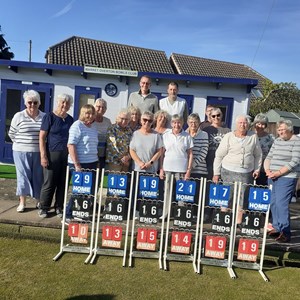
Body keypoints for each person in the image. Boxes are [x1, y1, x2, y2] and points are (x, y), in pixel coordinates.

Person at [213, 115, 262, 223]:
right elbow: (219, 155)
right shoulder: (228, 136)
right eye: (240, 123)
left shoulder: (253, 136)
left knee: (242, 198)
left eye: (245, 123)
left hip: (245, 172)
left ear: (248, 125)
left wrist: (257, 169)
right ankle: (223, 221)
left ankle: (238, 222)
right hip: (228, 171)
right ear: (236, 124)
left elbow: (258, 155)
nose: (242, 125)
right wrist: (216, 173)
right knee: (227, 197)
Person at [8, 90, 45, 212]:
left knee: (38, 176)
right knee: (22, 176)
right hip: (20, 151)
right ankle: (22, 203)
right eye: (30, 102)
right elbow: (11, 134)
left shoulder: (44, 117)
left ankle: (38, 201)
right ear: (25, 103)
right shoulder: (18, 116)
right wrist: (21, 144)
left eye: (35, 102)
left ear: (39, 103)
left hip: (38, 151)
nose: (32, 105)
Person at [264, 119, 300, 243]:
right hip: (272, 176)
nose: (280, 133)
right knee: (273, 203)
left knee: (281, 203)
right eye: (278, 130)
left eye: (282, 130)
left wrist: (279, 172)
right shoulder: (277, 141)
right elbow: (269, 157)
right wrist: (267, 170)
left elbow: (295, 161)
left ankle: (285, 232)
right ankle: (276, 228)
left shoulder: (297, 141)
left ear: (290, 130)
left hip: (287, 177)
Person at [38, 94, 74, 218]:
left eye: (67, 103)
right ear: (58, 103)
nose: (64, 105)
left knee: (63, 183)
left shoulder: (70, 119)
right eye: (63, 102)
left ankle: (59, 207)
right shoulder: (49, 117)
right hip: (52, 154)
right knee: (49, 182)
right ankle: (43, 207)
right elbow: (42, 137)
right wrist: (43, 156)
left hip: (66, 156)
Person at [159, 114, 194, 218]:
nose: (176, 125)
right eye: (174, 122)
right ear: (171, 123)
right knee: (167, 193)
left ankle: (181, 215)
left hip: (181, 169)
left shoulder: (187, 136)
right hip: (168, 168)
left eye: (179, 122)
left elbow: (190, 154)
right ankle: (166, 214)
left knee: (181, 194)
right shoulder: (165, 135)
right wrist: (161, 169)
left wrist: (188, 170)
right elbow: (162, 153)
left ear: (182, 123)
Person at [203, 107, 230, 180]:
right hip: (208, 161)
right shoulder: (205, 130)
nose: (216, 118)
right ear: (210, 117)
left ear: (221, 116)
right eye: (213, 116)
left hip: (222, 163)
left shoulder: (227, 131)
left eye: (218, 115)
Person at [252, 113, 274, 186]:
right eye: (258, 123)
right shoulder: (250, 136)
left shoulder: (271, 138)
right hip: (250, 168)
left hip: (263, 170)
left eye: (263, 124)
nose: (260, 126)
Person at [186, 113, 208, 179]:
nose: (193, 124)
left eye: (195, 122)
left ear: (199, 123)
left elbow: (203, 152)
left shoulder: (204, 134)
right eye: (191, 122)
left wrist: (192, 165)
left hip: (199, 170)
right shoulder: (184, 134)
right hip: (185, 169)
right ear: (188, 123)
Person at [93, 98, 112, 170]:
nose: (101, 109)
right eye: (98, 107)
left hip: (103, 154)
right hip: (92, 154)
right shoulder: (90, 120)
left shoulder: (107, 121)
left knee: (100, 176)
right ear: (94, 107)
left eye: (103, 107)